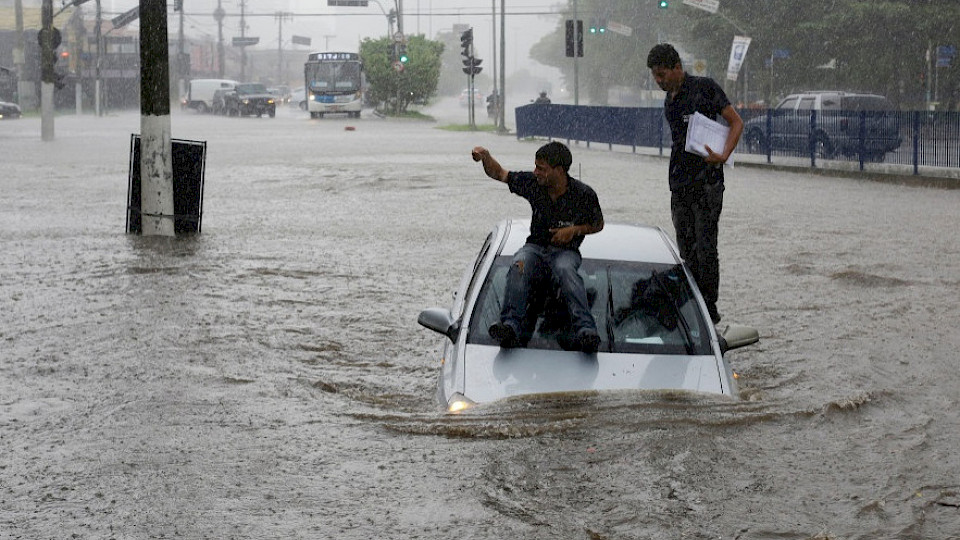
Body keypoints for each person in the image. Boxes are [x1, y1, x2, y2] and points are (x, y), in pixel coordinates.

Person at [471, 141, 604, 353]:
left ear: (558, 170)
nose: (536, 172)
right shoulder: (534, 184)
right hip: (535, 248)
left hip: (566, 252)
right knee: (519, 264)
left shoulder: (584, 194)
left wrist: (573, 231)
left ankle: (586, 331)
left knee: (565, 270)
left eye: (541, 168)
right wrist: (486, 156)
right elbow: (500, 174)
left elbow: (598, 225)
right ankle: (511, 326)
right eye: (535, 167)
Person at [646, 43, 743, 324]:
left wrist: (724, 154)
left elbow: (736, 122)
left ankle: (709, 310)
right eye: (655, 76)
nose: (659, 81)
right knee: (686, 250)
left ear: (677, 67)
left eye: (662, 74)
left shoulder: (704, 88)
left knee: (705, 248)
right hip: (679, 184)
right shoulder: (669, 100)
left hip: (707, 184)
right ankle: (692, 304)